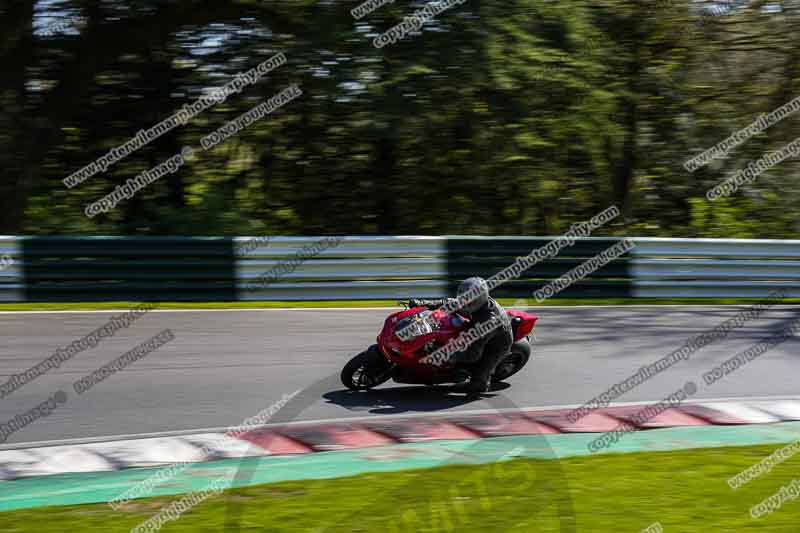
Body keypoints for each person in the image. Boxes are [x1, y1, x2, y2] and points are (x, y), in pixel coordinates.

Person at [408, 277, 513, 395]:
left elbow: (473, 355)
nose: (465, 302)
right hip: (476, 326)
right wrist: (423, 304)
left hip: (498, 342)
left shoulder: (488, 322)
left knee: (478, 382)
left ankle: (481, 382)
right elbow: (449, 303)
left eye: (469, 300)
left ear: (479, 299)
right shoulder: (473, 302)